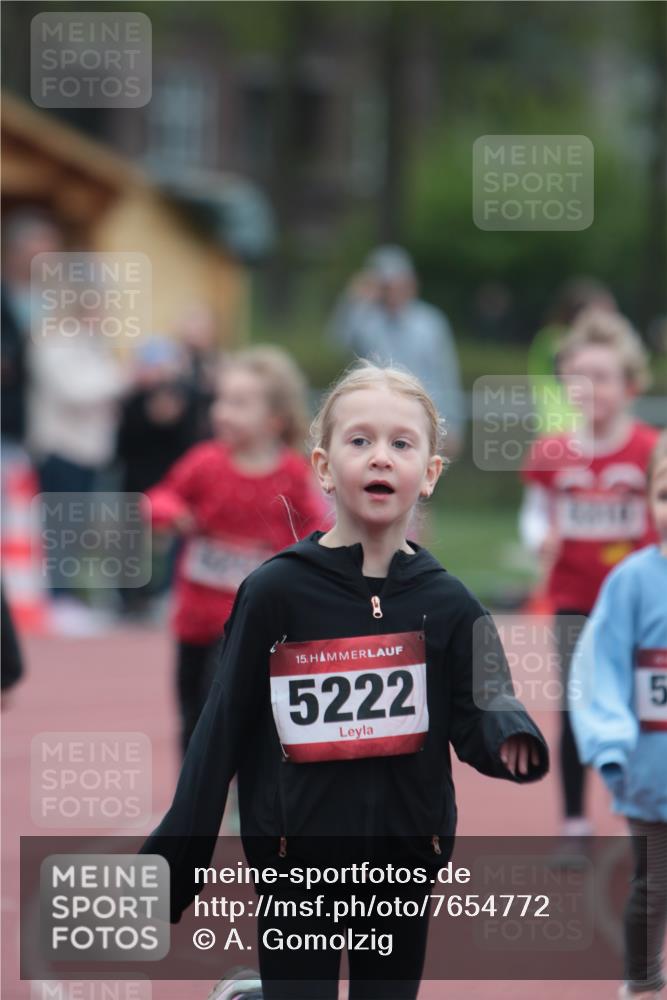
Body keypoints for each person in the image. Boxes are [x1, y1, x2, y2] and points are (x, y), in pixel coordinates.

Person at [142, 360, 549, 999]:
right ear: (324, 466)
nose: (380, 457)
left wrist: (507, 736)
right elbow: (221, 725)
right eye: (359, 441)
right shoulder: (276, 592)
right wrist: (175, 860)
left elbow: (485, 700)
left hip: (405, 859)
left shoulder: (450, 605)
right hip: (294, 859)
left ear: (430, 473)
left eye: (401, 443)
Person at [146, 345, 328, 756]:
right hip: (196, 618)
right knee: (193, 715)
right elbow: (158, 498)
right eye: (221, 400)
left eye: (239, 403)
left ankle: (247, 799)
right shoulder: (203, 463)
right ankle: (194, 803)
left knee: (246, 716)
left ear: (274, 420)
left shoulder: (292, 475)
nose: (222, 412)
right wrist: (172, 512)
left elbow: (318, 529)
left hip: (256, 622)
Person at [519, 308, 659, 838]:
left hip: (640, 603)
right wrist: (540, 539)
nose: (591, 389)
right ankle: (574, 820)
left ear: (630, 385)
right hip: (574, 596)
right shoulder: (553, 452)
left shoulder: (649, 449)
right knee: (578, 704)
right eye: (580, 378)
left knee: (640, 705)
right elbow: (534, 513)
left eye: (603, 377)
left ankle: (639, 810)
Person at [569, 431, 667, 1000]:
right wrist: (609, 741)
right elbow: (599, 665)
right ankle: (642, 982)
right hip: (651, 772)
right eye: (663, 492)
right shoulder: (630, 580)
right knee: (654, 887)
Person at [329, 246, 464, 457]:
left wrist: (454, 424)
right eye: (387, 284)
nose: (394, 290)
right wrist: (353, 300)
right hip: (375, 418)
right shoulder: (366, 320)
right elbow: (337, 344)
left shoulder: (430, 323)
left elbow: (446, 374)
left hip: (422, 419)